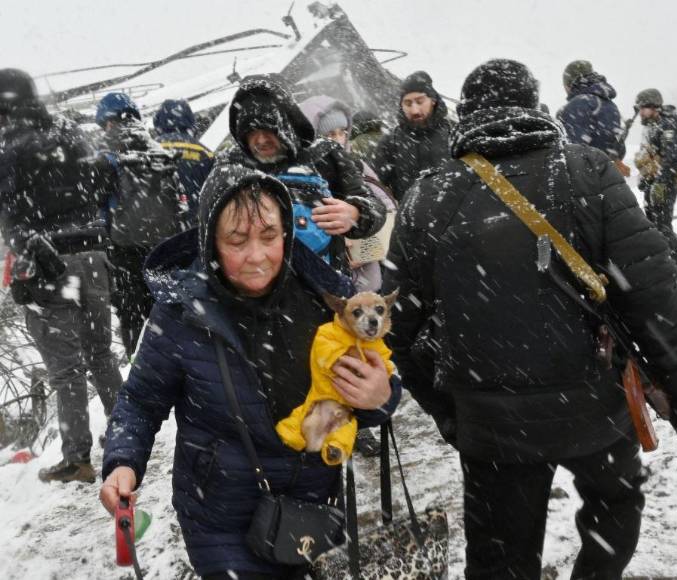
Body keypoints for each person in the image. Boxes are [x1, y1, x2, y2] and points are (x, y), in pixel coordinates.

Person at [383, 59, 677, 579]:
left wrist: (450, 411)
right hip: (597, 402)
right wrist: (676, 375)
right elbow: (650, 288)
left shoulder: (427, 194)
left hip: (491, 425)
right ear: (533, 104)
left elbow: (403, 324)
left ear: (466, 113)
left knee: (500, 556)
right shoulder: (589, 169)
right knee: (615, 511)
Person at [99, 164, 401, 579]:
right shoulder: (180, 313)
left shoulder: (326, 300)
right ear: (210, 243)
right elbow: (140, 399)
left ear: (287, 236)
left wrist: (381, 398)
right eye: (236, 241)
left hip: (313, 507)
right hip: (222, 517)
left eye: (270, 237)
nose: (257, 256)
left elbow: (380, 382)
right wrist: (122, 461)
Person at [0, 69, 122, 483]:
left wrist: (32, 248)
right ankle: (127, 435)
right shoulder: (70, 133)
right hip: (94, 256)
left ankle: (77, 458)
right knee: (101, 353)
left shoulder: (10, 148)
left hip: (48, 262)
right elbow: (106, 180)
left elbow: (9, 213)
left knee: (67, 369)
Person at [299, 94, 400, 457]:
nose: (337, 139)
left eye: (342, 131)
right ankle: (334, 422)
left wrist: (362, 222)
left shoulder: (355, 166)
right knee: (330, 358)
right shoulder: (301, 176)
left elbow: (382, 206)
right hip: (322, 289)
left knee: (362, 354)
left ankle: (361, 419)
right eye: (328, 133)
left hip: (364, 280)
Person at [220, 74, 386, 275]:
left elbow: (375, 208)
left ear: (286, 123)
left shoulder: (325, 154)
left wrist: (356, 213)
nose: (260, 140)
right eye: (250, 131)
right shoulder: (229, 165)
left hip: (326, 287)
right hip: (256, 289)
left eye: (268, 129)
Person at [94, 92, 185, 356]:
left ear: (108, 121)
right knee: (166, 312)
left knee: (131, 316)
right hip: (164, 248)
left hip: (124, 250)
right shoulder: (158, 150)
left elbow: (98, 201)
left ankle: (139, 367)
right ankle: (175, 364)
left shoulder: (106, 152)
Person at [633, 88, 677, 282]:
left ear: (655, 107)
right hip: (655, 182)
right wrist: (645, 181)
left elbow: (669, 159)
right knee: (654, 225)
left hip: (664, 183)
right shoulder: (651, 126)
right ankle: (667, 267)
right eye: (639, 108)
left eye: (644, 108)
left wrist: (660, 182)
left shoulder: (666, 126)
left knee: (663, 225)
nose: (640, 112)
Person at [374, 70, 453, 202]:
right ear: (401, 105)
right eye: (408, 103)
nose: (414, 110)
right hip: (409, 218)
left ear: (433, 100)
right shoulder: (389, 143)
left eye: (420, 101)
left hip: (453, 216)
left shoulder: (455, 134)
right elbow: (377, 188)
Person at [557, 60, 628, 172]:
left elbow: (572, 151)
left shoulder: (579, 103)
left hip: (588, 178)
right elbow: (618, 147)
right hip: (608, 176)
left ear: (569, 83)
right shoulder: (610, 104)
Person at [153, 98, 214, 221]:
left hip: (160, 227)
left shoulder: (149, 150)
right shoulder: (206, 153)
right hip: (197, 225)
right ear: (190, 120)